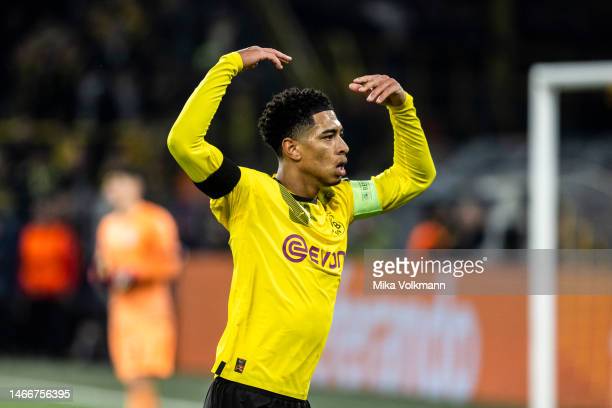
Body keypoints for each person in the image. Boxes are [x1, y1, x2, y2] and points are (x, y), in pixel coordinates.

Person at [167, 46, 436, 407]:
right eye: (328, 136)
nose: (343, 146)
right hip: (245, 389)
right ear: (292, 149)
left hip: (295, 395)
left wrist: (402, 108)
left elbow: (415, 176)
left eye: (340, 134)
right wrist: (228, 65)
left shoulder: (342, 201)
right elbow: (184, 143)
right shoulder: (250, 194)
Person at [94, 167, 182, 408]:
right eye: (110, 186)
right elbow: (102, 266)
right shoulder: (107, 225)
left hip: (150, 309)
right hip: (121, 310)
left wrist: (136, 274)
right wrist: (103, 274)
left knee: (141, 375)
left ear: (135, 185)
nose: (114, 191)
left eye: (119, 183)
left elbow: (171, 264)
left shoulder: (156, 219)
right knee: (130, 375)